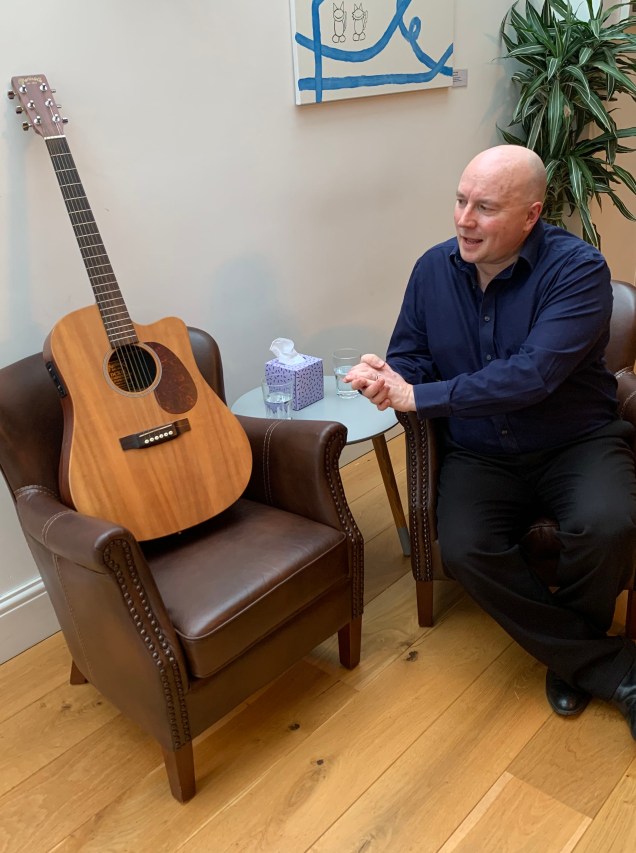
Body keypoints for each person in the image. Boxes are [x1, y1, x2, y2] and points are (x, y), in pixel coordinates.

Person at [346, 144, 636, 736]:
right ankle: (600, 665)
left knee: (609, 524)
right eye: (460, 201)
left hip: (575, 439)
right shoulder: (432, 269)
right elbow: (412, 355)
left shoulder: (579, 271)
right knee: (464, 547)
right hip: (480, 449)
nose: (464, 220)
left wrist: (418, 396)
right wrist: (390, 378)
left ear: (531, 215)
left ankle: (576, 662)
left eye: (485, 207)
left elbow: (533, 375)